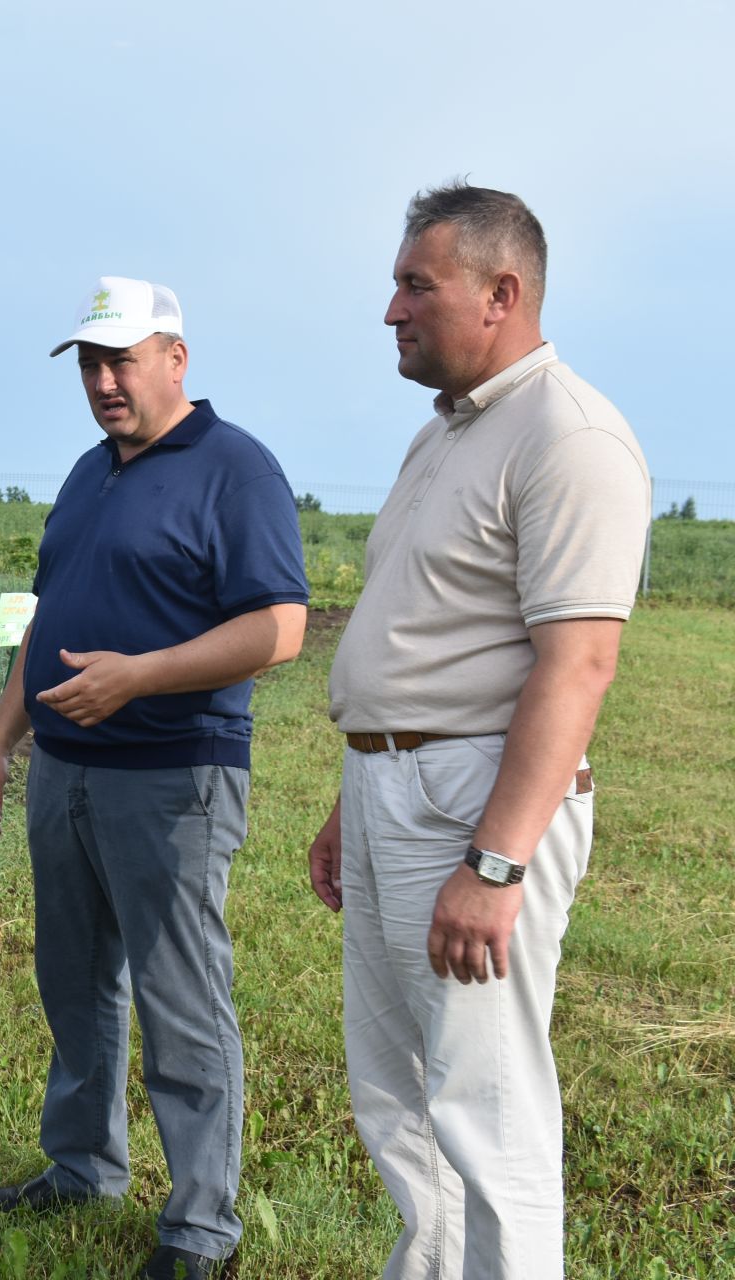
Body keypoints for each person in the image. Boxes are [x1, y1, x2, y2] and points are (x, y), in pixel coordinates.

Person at [310, 183, 649, 1279]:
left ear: (501, 293)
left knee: (488, 1101)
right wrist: (349, 795)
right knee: (400, 1091)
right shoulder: (445, 435)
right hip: (394, 792)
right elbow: (422, 638)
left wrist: (495, 863)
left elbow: (578, 664)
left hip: (471, 804)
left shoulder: (570, 435)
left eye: (418, 283)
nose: (392, 309)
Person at [0, 277, 308, 1280]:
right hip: (65, 767)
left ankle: (201, 1226)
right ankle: (81, 1163)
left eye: (122, 359)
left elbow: (279, 627)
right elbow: (47, 613)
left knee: (181, 992)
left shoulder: (236, 470)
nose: (104, 380)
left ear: (177, 359)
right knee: (74, 980)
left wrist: (141, 678)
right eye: (89, 362)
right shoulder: (87, 473)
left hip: (171, 771)